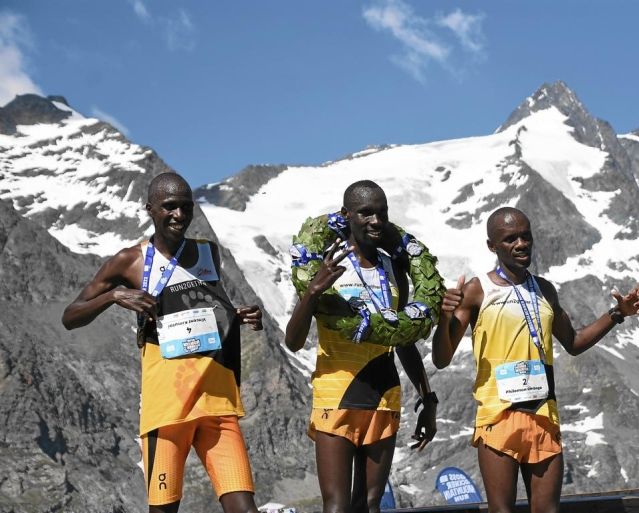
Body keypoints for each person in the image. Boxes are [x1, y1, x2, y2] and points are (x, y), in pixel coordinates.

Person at [62, 173, 263, 513]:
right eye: (170, 207)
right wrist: (114, 295)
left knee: (245, 508)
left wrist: (238, 315)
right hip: (167, 410)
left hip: (217, 403)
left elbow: (214, 306)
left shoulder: (207, 253)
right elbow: (71, 316)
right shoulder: (131, 261)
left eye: (186, 207)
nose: (179, 215)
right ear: (150, 209)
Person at [432, 207, 639, 513]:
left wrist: (618, 314)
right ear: (492, 246)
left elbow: (573, 342)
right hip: (498, 417)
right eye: (510, 239)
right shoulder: (477, 291)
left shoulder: (545, 290)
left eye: (526, 236)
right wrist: (444, 319)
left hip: (543, 415)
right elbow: (442, 359)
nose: (521, 243)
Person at [285, 180, 438, 513]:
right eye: (366, 212)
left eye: (382, 213)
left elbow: (402, 339)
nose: (376, 221)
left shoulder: (394, 267)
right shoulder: (326, 263)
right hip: (336, 395)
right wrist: (312, 291)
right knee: (337, 507)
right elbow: (292, 341)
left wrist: (428, 398)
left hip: (384, 396)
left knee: (369, 505)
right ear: (346, 215)